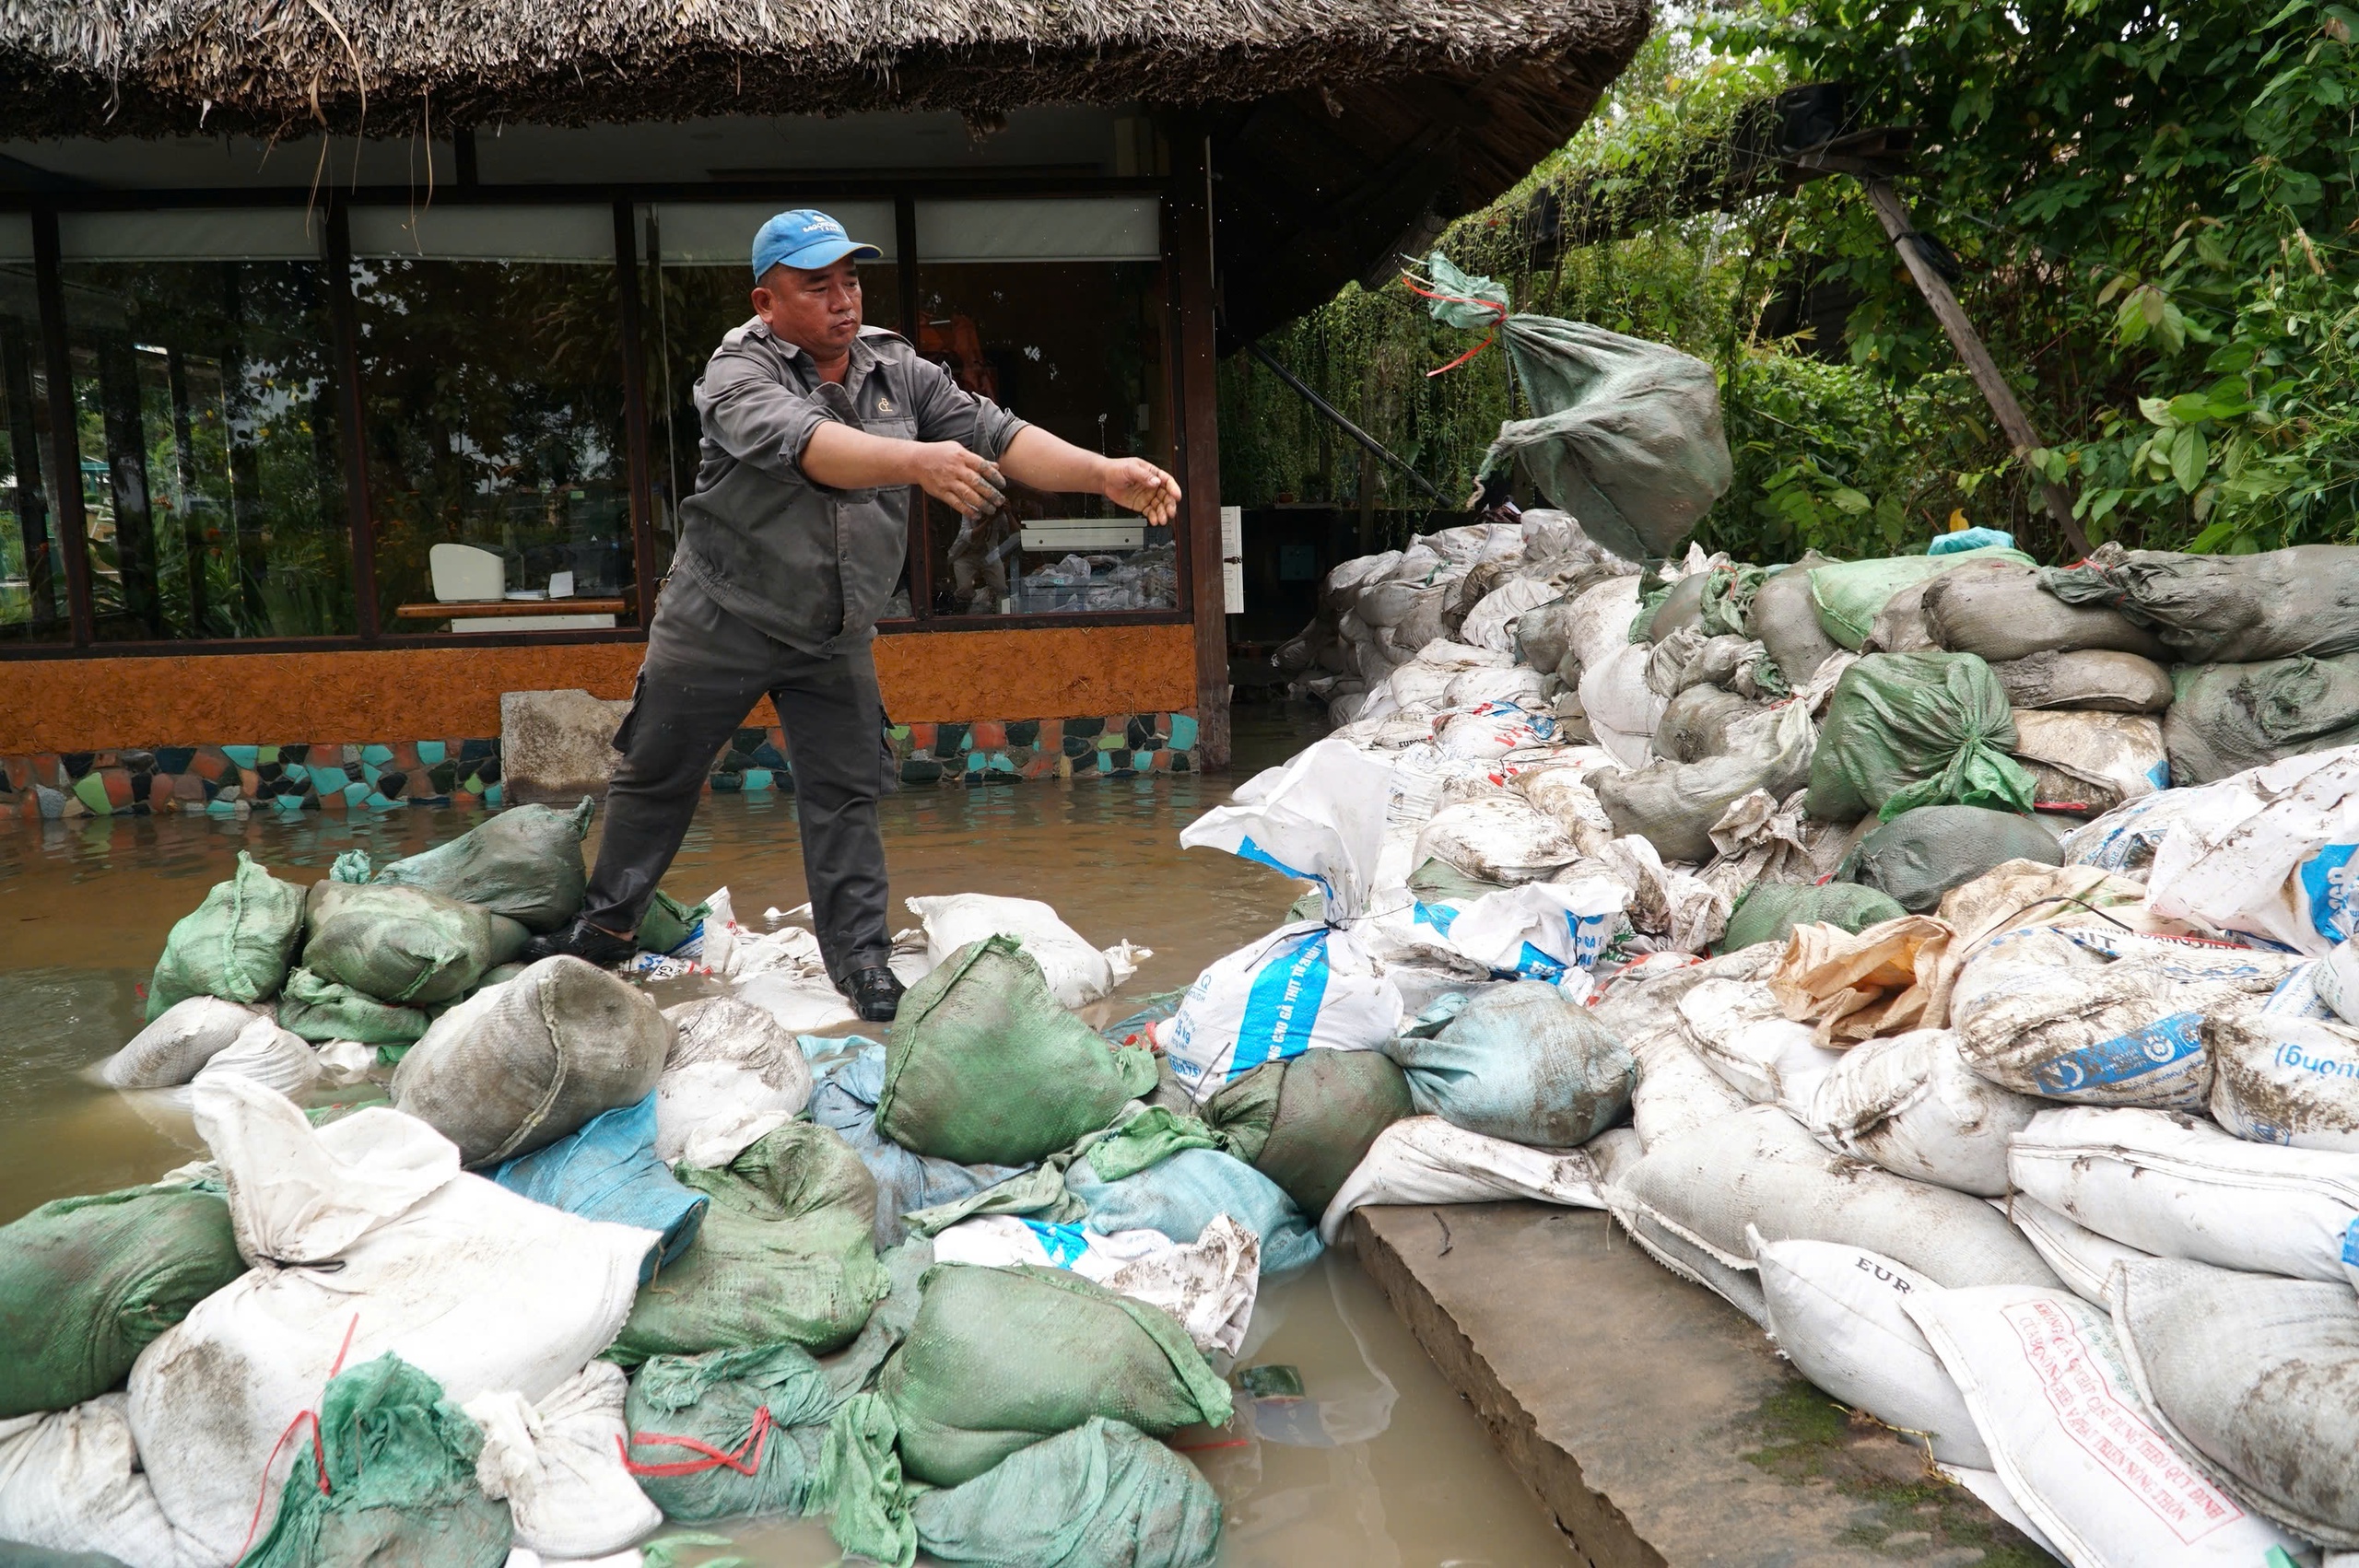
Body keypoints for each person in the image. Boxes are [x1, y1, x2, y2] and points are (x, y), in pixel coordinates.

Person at [524, 209, 1181, 1020]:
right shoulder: (736, 374)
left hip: (833, 628)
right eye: (817, 285)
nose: (843, 300)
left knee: (844, 796)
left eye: (850, 281)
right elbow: (810, 447)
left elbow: (998, 434)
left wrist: (1101, 471)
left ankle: (862, 963)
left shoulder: (897, 369)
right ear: (767, 302)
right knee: (657, 776)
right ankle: (605, 929)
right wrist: (918, 460)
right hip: (719, 615)